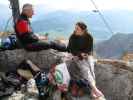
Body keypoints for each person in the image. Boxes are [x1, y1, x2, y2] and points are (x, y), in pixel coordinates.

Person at [64, 22, 105, 99]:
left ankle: (93, 89)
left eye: (77, 29)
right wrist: (80, 54)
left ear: (83, 30)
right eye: (75, 28)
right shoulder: (73, 37)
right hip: (76, 55)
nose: (75, 30)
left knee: (91, 66)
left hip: (87, 55)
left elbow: (89, 49)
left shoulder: (89, 37)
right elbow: (70, 49)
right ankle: (95, 89)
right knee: (85, 68)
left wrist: (85, 54)